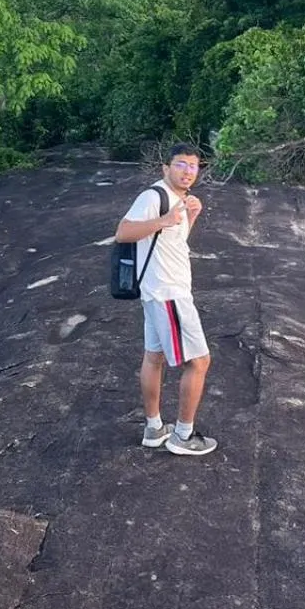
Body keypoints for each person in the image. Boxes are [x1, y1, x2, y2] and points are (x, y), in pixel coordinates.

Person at [114, 144, 216, 457]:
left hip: (158, 293)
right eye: (181, 164)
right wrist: (164, 219)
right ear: (166, 168)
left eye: (193, 166)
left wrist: (190, 216)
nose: (187, 171)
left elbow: (172, 242)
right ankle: (183, 435)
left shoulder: (179, 200)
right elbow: (123, 232)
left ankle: (154, 428)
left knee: (154, 357)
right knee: (199, 361)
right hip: (169, 293)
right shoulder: (153, 196)